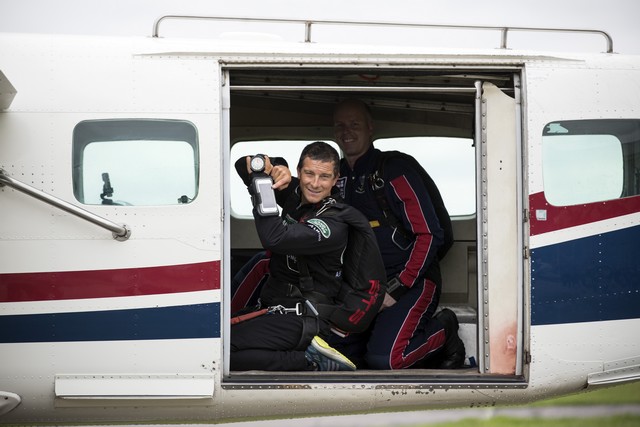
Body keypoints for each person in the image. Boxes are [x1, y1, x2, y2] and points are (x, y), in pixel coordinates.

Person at [330, 98, 465, 370]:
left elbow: (429, 234)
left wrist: (399, 286)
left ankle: (445, 328)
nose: (347, 131)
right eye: (340, 125)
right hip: (365, 287)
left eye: (354, 124)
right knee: (340, 357)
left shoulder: (394, 170)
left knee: (387, 360)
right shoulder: (335, 176)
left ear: (371, 128)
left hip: (412, 281)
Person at [231, 141, 381, 371]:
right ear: (299, 172)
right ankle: (303, 357)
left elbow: (275, 238)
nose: (315, 183)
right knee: (219, 343)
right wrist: (272, 168)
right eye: (309, 173)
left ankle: (310, 362)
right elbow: (244, 165)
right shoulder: (295, 192)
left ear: (335, 179)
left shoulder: (334, 221)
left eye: (324, 177)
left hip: (308, 318)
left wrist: (263, 187)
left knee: (221, 353)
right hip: (279, 308)